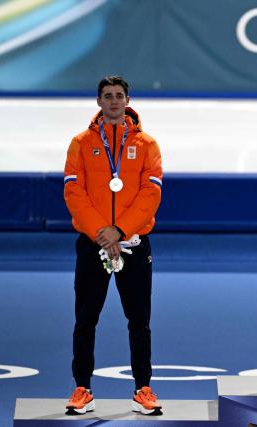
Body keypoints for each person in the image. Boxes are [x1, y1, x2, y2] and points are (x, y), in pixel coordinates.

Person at [63, 76, 163, 415]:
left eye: (119, 96)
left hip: (133, 243)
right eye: (108, 96)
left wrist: (118, 231)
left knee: (139, 320)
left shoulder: (147, 144)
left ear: (128, 100)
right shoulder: (80, 143)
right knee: (85, 319)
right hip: (93, 245)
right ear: (99, 102)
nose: (114, 101)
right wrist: (101, 233)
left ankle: (143, 388)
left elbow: (151, 196)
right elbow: (74, 193)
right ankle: (82, 388)